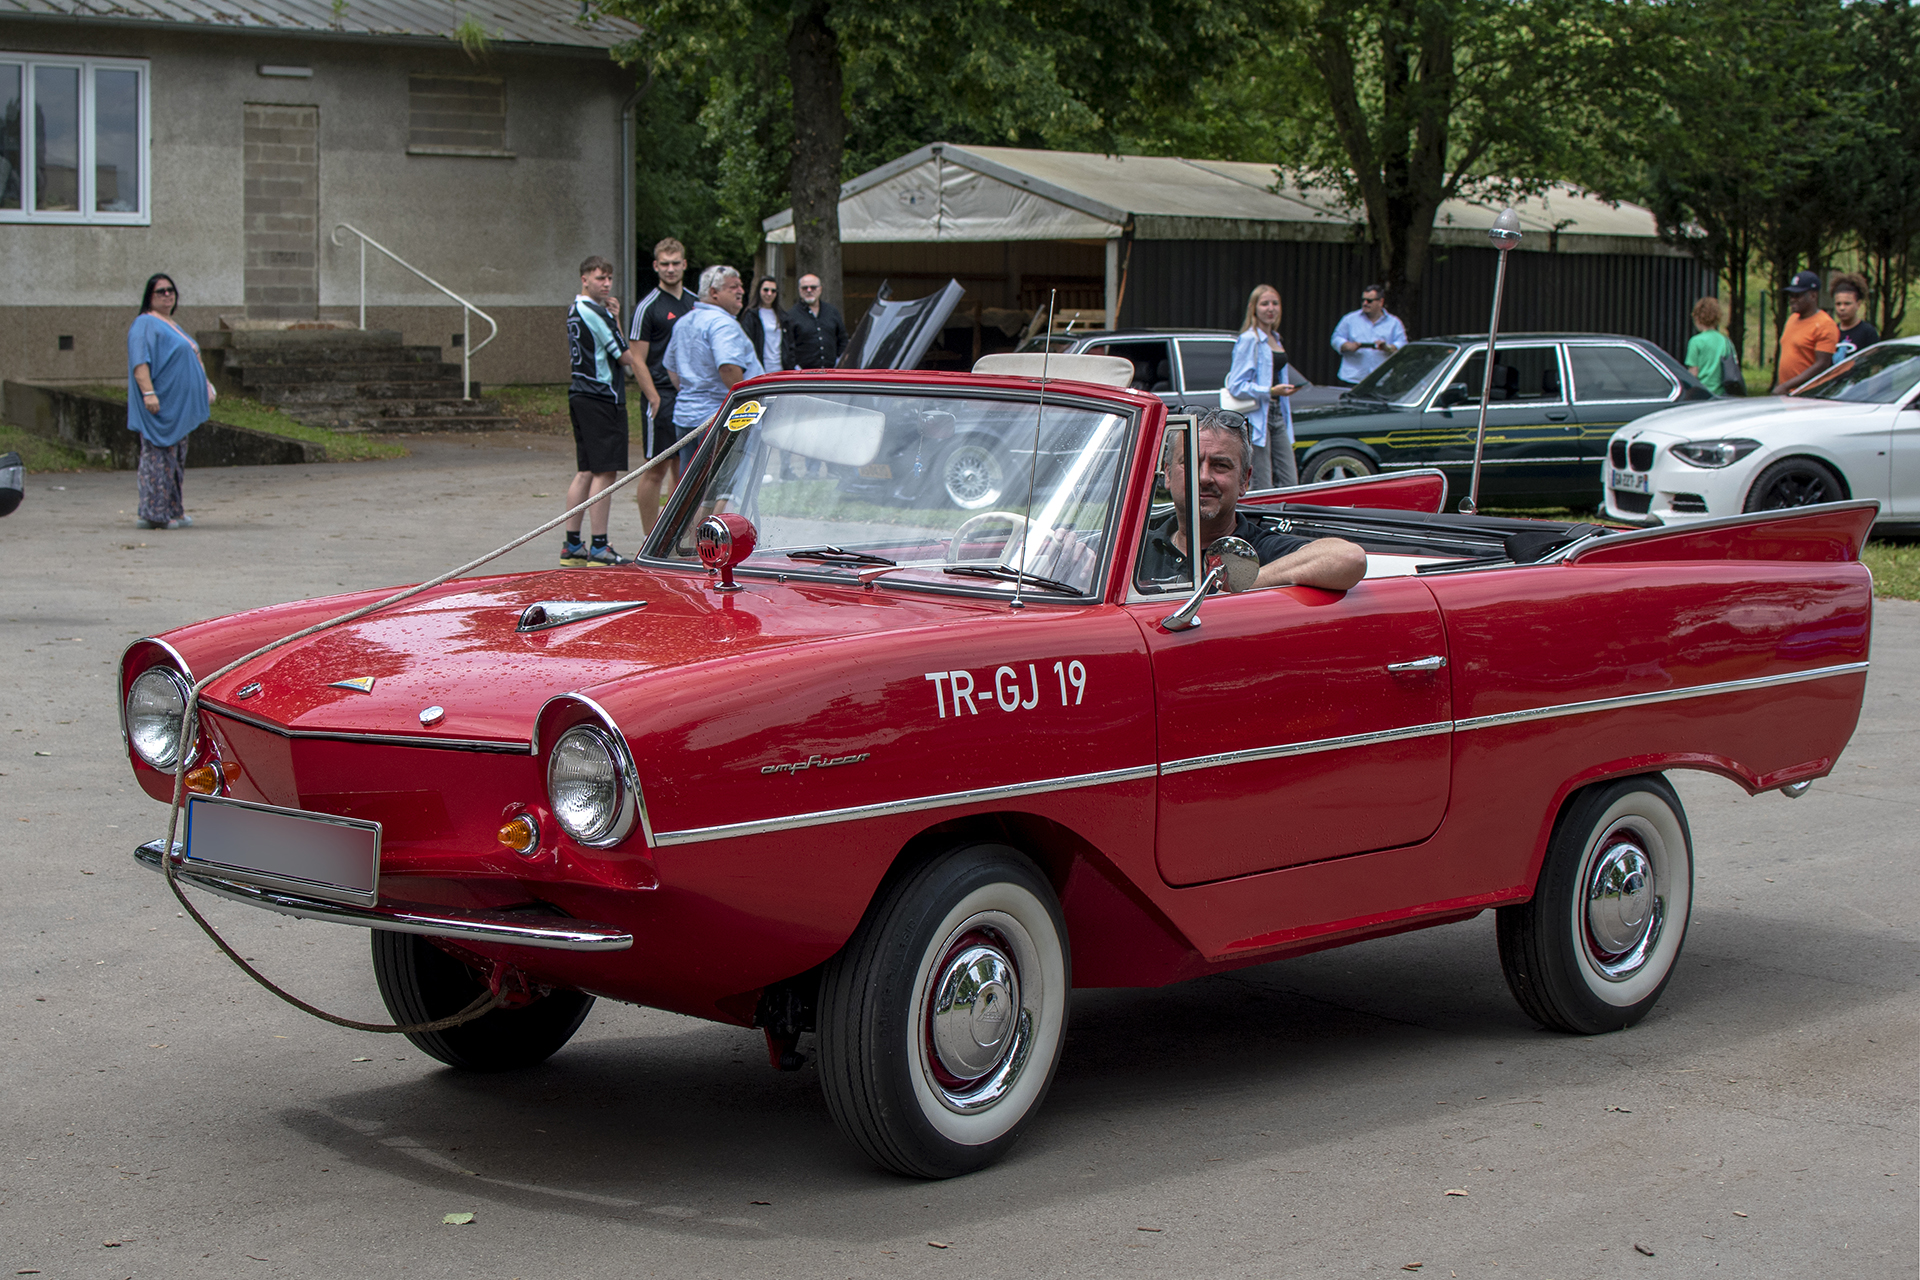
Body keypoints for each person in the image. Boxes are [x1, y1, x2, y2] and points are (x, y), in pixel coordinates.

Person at [1138, 409, 1366, 592]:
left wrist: (1241, 585)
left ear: (1244, 480)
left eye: (1220, 465)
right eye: (1190, 462)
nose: (1204, 477)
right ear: (1167, 474)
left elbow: (1348, 559)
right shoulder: (1133, 551)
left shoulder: (1263, 549)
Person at [562, 255, 643, 566]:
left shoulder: (575, 309)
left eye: (609, 278)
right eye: (599, 278)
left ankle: (572, 543)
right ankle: (599, 545)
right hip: (600, 396)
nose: (606, 284)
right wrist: (616, 321)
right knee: (603, 471)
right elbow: (624, 355)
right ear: (584, 279)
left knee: (585, 469)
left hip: (580, 392)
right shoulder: (593, 311)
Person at [127, 273, 215, 530]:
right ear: (150, 297)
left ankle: (173, 509)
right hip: (160, 405)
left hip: (178, 407)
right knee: (157, 458)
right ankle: (154, 513)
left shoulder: (171, 324)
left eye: (170, 290)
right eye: (160, 291)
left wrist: (204, 385)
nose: (167, 295)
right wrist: (148, 393)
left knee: (176, 458)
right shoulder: (144, 323)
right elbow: (139, 360)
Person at [628, 238, 697, 535]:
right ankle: (648, 537)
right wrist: (653, 397)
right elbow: (636, 358)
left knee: (682, 469)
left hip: (690, 395)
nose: (670, 269)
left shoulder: (695, 302)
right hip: (662, 396)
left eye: (675, 263)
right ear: (656, 266)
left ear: (684, 264)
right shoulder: (648, 307)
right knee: (655, 467)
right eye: (664, 264)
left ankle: (672, 536)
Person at [664, 265, 763, 472]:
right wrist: (746, 402)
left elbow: (673, 371)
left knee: (691, 487)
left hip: (686, 416)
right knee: (721, 489)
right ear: (713, 293)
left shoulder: (683, 322)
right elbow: (728, 368)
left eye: (741, 286)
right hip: (719, 418)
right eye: (733, 287)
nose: (741, 291)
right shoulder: (722, 324)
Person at [1224, 284, 1298, 490]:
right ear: (1253, 308)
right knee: (1261, 481)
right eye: (1264, 304)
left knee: (1290, 480)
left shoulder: (1275, 338)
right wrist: (1270, 390)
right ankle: (1261, 521)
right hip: (1257, 416)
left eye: (1275, 303)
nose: (1270, 308)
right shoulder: (1250, 339)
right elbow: (1236, 385)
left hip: (1277, 414)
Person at [1772, 269, 1839, 395]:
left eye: (1798, 295)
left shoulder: (1825, 324)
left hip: (1807, 394)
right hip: (1785, 392)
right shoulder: (1792, 319)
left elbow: (1822, 364)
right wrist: (1779, 384)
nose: (1792, 300)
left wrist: (1787, 386)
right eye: (1791, 295)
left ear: (1813, 296)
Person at [1329, 285, 1407, 385]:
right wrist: (1346, 345)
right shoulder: (1350, 319)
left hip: (1381, 380)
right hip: (1352, 379)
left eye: (1369, 301)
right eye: (1363, 300)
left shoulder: (1394, 323)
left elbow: (1402, 345)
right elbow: (1336, 338)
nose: (1365, 303)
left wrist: (1387, 347)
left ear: (1380, 302)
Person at [787, 273, 848, 369]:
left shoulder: (832, 311)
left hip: (832, 371)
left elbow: (843, 338)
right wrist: (796, 368)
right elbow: (788, 346)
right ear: (799, 290)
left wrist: (839, 360)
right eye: (804, 288)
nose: (809, 290)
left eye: (813, 287)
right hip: (803, 373)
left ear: (820, 289)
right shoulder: (792, 315)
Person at [1684, 295, 1738, 396]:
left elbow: (1693, 372)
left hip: (1702, 393)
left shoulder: (1696, 341)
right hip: (1722, 393)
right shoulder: (1725, 340)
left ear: (1697, 317)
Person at [742, 276, 793, 372]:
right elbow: (747, 342)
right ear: (759, 291)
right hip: (760, 369)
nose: (769, 294)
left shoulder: (783, 316)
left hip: (781, 368)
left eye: (773, 291)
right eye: (766, 290)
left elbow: (790, 344)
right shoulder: (751, 315)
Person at [1831, 273, 1880, 364]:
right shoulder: (1831, 331)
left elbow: (1874, 364)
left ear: (1858, 304)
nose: (1842, 308)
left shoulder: (1868, 332)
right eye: (1838, 304)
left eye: (1847, 304)